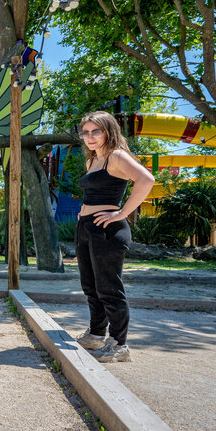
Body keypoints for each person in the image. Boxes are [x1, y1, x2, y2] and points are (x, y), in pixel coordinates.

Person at [73, 110, 154, 363]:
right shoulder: (93, 160)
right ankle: (97, 334)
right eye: (85, 132)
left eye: (96, 131)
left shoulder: (116, 156)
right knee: (90, 286)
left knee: (109, 288)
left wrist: (122, 213)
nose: (90, 137)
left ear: (108, 131)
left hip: (107, 230)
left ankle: (120, 345)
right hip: (87, 227)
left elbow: (146, 179)